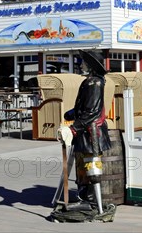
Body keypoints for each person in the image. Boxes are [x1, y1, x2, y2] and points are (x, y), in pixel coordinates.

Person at [57, 50, 111, 215]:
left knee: (91, 167)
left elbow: (91, 112)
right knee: (83, 166)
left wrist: (73, 128)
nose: (81, 65)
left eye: (84, 62)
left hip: (91, 132)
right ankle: (85, 198)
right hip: (87, 131)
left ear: (92, 66)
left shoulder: (94, 82)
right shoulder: (92, 81)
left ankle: (91, 202)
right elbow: (86, 107)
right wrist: (72, 113)